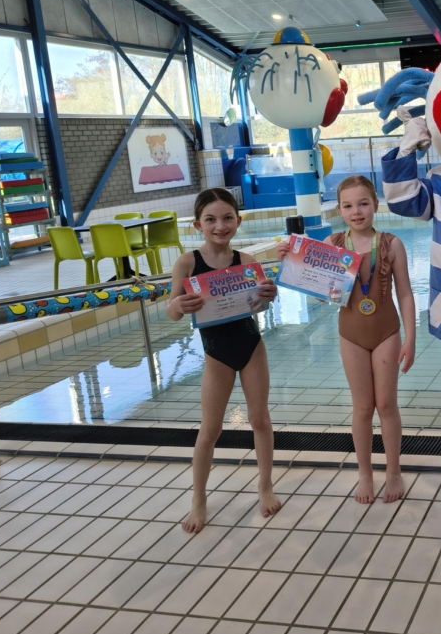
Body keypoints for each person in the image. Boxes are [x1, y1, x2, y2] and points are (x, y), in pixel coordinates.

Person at [278, 175, 416, 504]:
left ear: (375, 205)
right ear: (339, 210)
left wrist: (411, 337)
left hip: (386, 333)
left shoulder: (392, 244)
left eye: (363, 203)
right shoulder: (333, 244)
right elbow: (317, 292)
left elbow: (406, 294)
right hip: (351, 335)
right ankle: (365, 474)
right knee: (363, 407)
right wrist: (290, 261)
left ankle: (393, 471)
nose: (357, 211)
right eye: (348, 205)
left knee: (386, 405)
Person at [168, 188, 281, 533]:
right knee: (210, 429)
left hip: (251, 346)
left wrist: (269, 295)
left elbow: (259, 305)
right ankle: (198, 499)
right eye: (211, 219)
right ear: (197, 225)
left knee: (260, 419)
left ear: (238, 220)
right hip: (216, 354)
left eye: (227, 218)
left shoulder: (246, 261)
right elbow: (172, 311)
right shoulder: (187, 263)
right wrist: (178, 305)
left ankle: (265, 486)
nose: (220, 226)